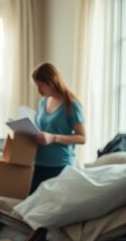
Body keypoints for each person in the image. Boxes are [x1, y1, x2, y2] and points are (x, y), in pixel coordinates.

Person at [30, 62, 86, 193]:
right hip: (39, 164)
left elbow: (82, 138)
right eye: (36, 86)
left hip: (60, 166)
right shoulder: (43, 102)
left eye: (41, 85)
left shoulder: (72, 105)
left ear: (52, 81)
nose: (39, 90)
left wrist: (53, 138)